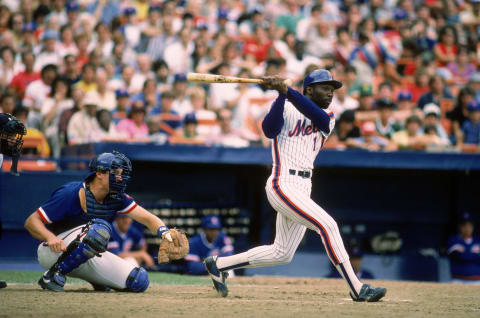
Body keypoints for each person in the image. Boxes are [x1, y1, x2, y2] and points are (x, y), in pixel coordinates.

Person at [204, 69, 387, 302]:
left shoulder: (329, 115)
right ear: (309, 89)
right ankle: (357, 288)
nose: (331, 92)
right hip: (283, 183)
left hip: (303, 186)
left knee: (282, 253)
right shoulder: (286, 106)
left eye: (332, 88)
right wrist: (281, 95)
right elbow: (269, 130)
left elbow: (317, 117)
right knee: (328, 225)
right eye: (325, 87)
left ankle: (219, 264)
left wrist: (286, 90)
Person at [24, 151, 179, 292]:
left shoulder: (117, 197)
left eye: (121, 173)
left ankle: (95, 279)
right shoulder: (71, 193)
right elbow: (31, 222)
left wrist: (165, 233)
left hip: (88, 254)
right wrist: (50, 237)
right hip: (53, 252)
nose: (120, 177)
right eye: (115, 173)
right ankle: (52, 275)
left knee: (139, 281)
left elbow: (148, 218)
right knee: (99, 229)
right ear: (99, 173)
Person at [447, 212, 480, 284]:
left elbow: (464, 256)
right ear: (460, 227)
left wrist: (465, 252)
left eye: (469, 225)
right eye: (464, 225)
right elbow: (459, 256)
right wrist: (474, 254)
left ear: (473, 227)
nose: (467, 228)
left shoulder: (478, 240)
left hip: (477, 280)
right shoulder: (453, 240)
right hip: (458, 280)